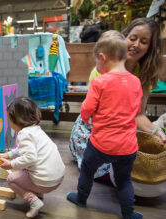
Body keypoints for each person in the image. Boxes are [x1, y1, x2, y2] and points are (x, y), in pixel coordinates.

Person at [69, 18, 166, 183]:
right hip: (96, 128)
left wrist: (156, 132)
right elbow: (93, 112)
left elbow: (139, 114)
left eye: (143, 42)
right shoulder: (103, 67)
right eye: (133, 38)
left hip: (121, 128)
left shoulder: (144, 74)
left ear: (149, 48)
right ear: (123, 39)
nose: (136, 45)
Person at [66, 31, 143, 219]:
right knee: (124, 180)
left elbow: (87, 109)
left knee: (87, 170)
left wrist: (85, 118)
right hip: (128, 146)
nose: (97, 68)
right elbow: (136, 111)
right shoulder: (135, 82)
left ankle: (81, 199)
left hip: (101, 143)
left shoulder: (100, 82)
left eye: (96, 63)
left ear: (102, 57)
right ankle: (129, 215)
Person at [0, 97, 65, 218]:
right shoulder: (35, 130)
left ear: (18, 120)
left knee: (11, 179)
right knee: (25, 169)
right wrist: (8, 155)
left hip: (45, 182)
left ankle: (34, 201)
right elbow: (23, 149)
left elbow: (30, 158)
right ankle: (38, 194)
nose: (10, 124)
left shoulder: (23, 134)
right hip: (57, 178)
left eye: (10, 121)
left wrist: (10, 164)